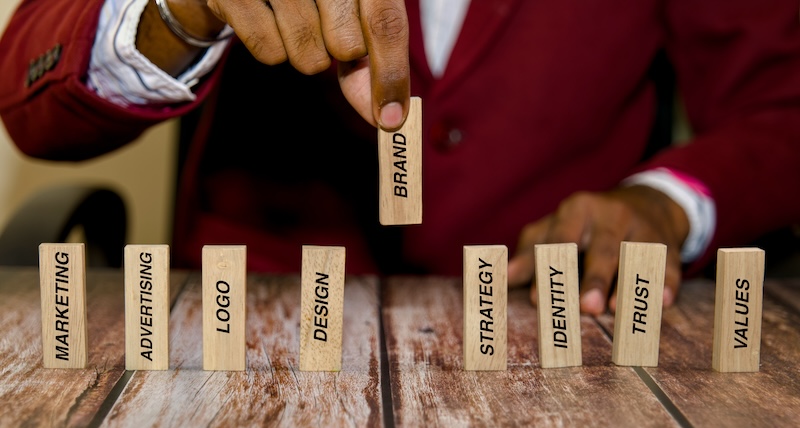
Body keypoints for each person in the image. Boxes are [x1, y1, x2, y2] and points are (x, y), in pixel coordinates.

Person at [1, 0, 799, 316]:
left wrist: (670, 199)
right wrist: (180, 11)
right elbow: (26, 86)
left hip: (556, 329)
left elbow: (781, 106)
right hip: (246, 328)